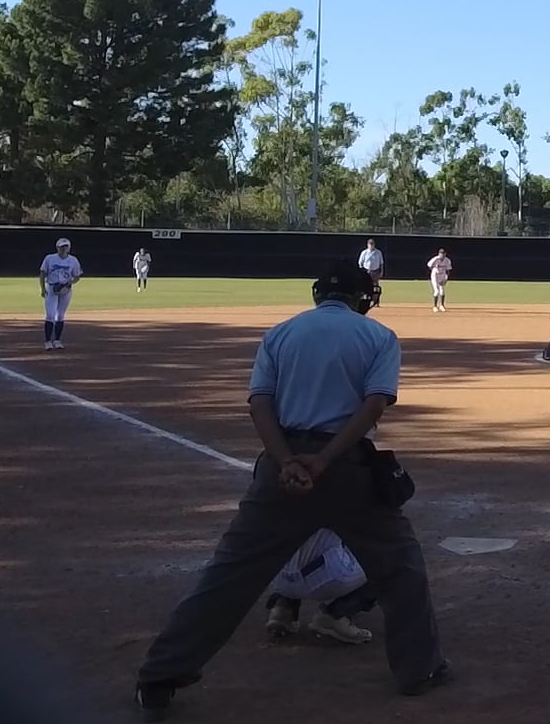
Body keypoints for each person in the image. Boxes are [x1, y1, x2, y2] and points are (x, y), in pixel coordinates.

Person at [133, 259, 448, 721]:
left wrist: (286, 462)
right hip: (348, 468)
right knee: (401, 568)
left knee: (229, 575)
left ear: (318, 293)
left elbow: (259, 404)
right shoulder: (378, 336)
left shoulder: (280, 333)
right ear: (362, 298)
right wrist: (324, 459)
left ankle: (159, 676)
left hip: (280, 468)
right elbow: (373, 407)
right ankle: (419, 670)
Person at [264, 529, 378, 646]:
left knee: (295, 536)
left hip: (275, 574)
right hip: (322, 577)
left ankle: (283, 608)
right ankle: (334, 615)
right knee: (386, 555)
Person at [39, 238, 82, 351]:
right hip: (51, 288)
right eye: (61, 247)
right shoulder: (49, 258)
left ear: (69, 248)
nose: (63, 249)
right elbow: (42, 274)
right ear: (57, 248)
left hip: (65, 289)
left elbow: (77, 276)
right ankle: (48, 341)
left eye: (65, 247)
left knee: (61, 315)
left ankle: (57, 340)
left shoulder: (73, 260)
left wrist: (70, 283)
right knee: (50, 314)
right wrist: (43, 289)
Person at [358, 239, 385, 308]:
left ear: (374, 245)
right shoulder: (364, 252)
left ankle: (376, 301)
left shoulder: (378, 252)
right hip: (366, 271)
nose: (371, 246)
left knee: (375, 287)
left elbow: (381, 263)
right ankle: (364, 301)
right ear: (367, 245)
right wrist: (362, 271)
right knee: (365, 286)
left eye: (372, 244)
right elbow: (360, 263)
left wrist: (381, 271)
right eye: (370, 244)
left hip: (375, 271)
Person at [426, 248, 452, 313]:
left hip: (442, 276)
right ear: (439, 254)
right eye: (441, 253)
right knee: (436, 291)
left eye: (443, 253)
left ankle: (442, 305)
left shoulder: (447, 260)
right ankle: (435, 306)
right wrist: (434, 269)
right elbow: (429, 265)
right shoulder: (435, 259)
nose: (442, 255)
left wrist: (446, 278)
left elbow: (448, 270)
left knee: (442, 291)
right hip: (435, 276)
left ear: (445, 254)